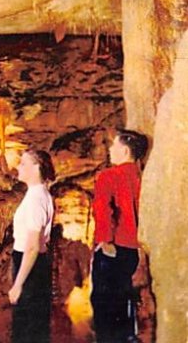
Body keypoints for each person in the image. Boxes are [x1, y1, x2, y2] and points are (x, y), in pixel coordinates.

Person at [90, 128, 149, 343]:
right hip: (133, 251)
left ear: (124, 151)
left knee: (104, 308)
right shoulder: (141, 176)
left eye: (113, 145)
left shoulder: (109, 176)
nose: (110, 150)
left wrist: (105, 240)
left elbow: (103, 209)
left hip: (113, 249)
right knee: (125, 304)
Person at [8, 147, 56, 343]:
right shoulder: (39, 194)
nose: (18, 167)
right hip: (35, 264)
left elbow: (32, 247)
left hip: (30, 266)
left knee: (27, 327)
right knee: (34, 326)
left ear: (36, 168)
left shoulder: (36, 199)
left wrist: (18, 284)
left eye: (23, 163)